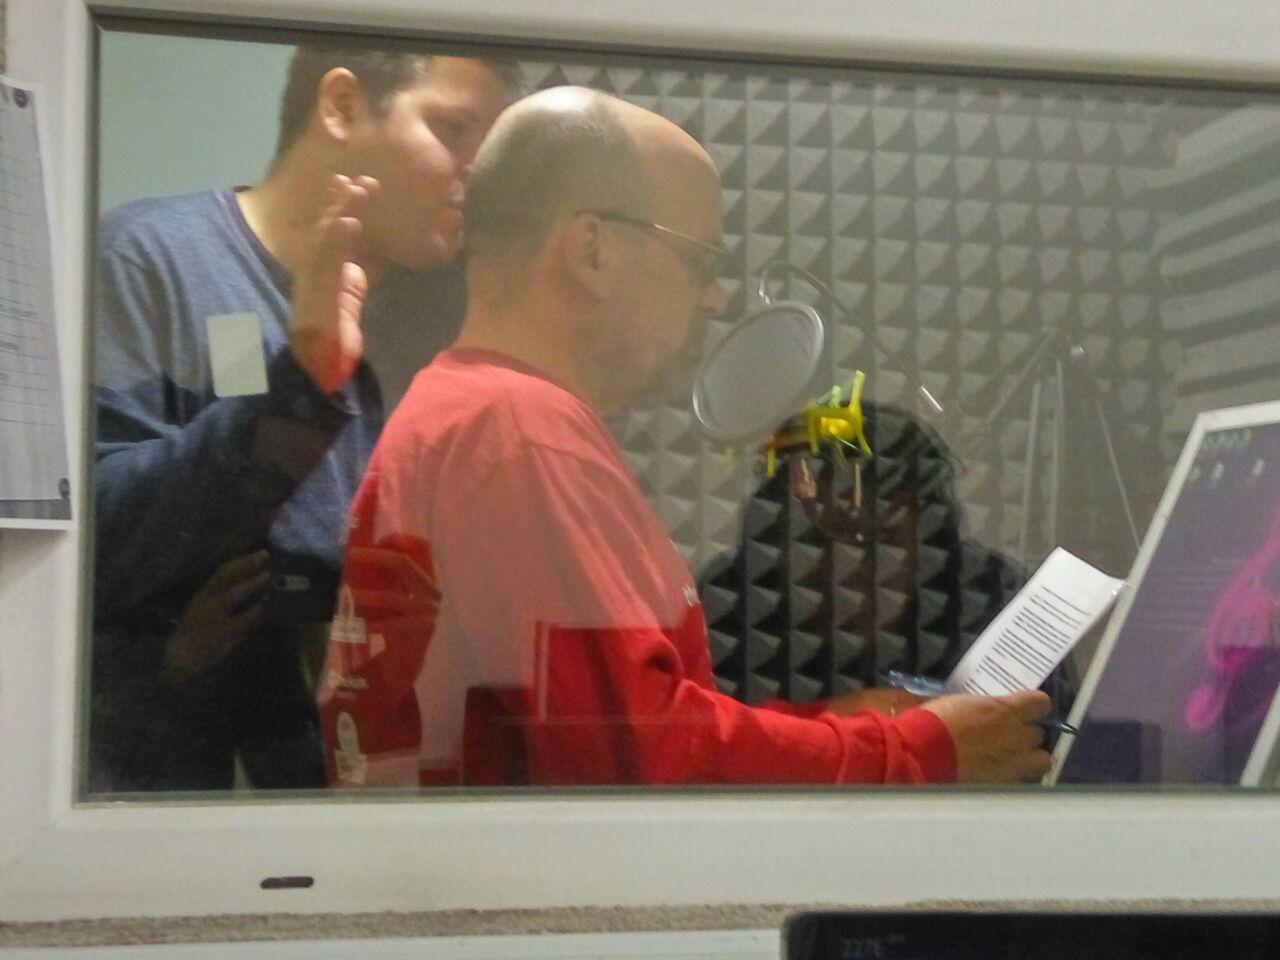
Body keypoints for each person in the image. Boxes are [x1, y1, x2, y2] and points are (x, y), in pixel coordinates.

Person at [315, 86, 1053, 788]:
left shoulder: (463, 412)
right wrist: (917, 753)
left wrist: (839, 725)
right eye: (700, 261)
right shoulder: (518, 434)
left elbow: (638, 729)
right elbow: (642, 763)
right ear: (592, 250)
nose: (717, 298)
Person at [88, 46, 516, 792]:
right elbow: (93, 540)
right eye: (453, 130)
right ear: (342, 107)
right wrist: (302, 379)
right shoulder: (151, 258)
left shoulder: (434, 316)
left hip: (355, 795)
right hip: (177, 808)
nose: (474, 175)